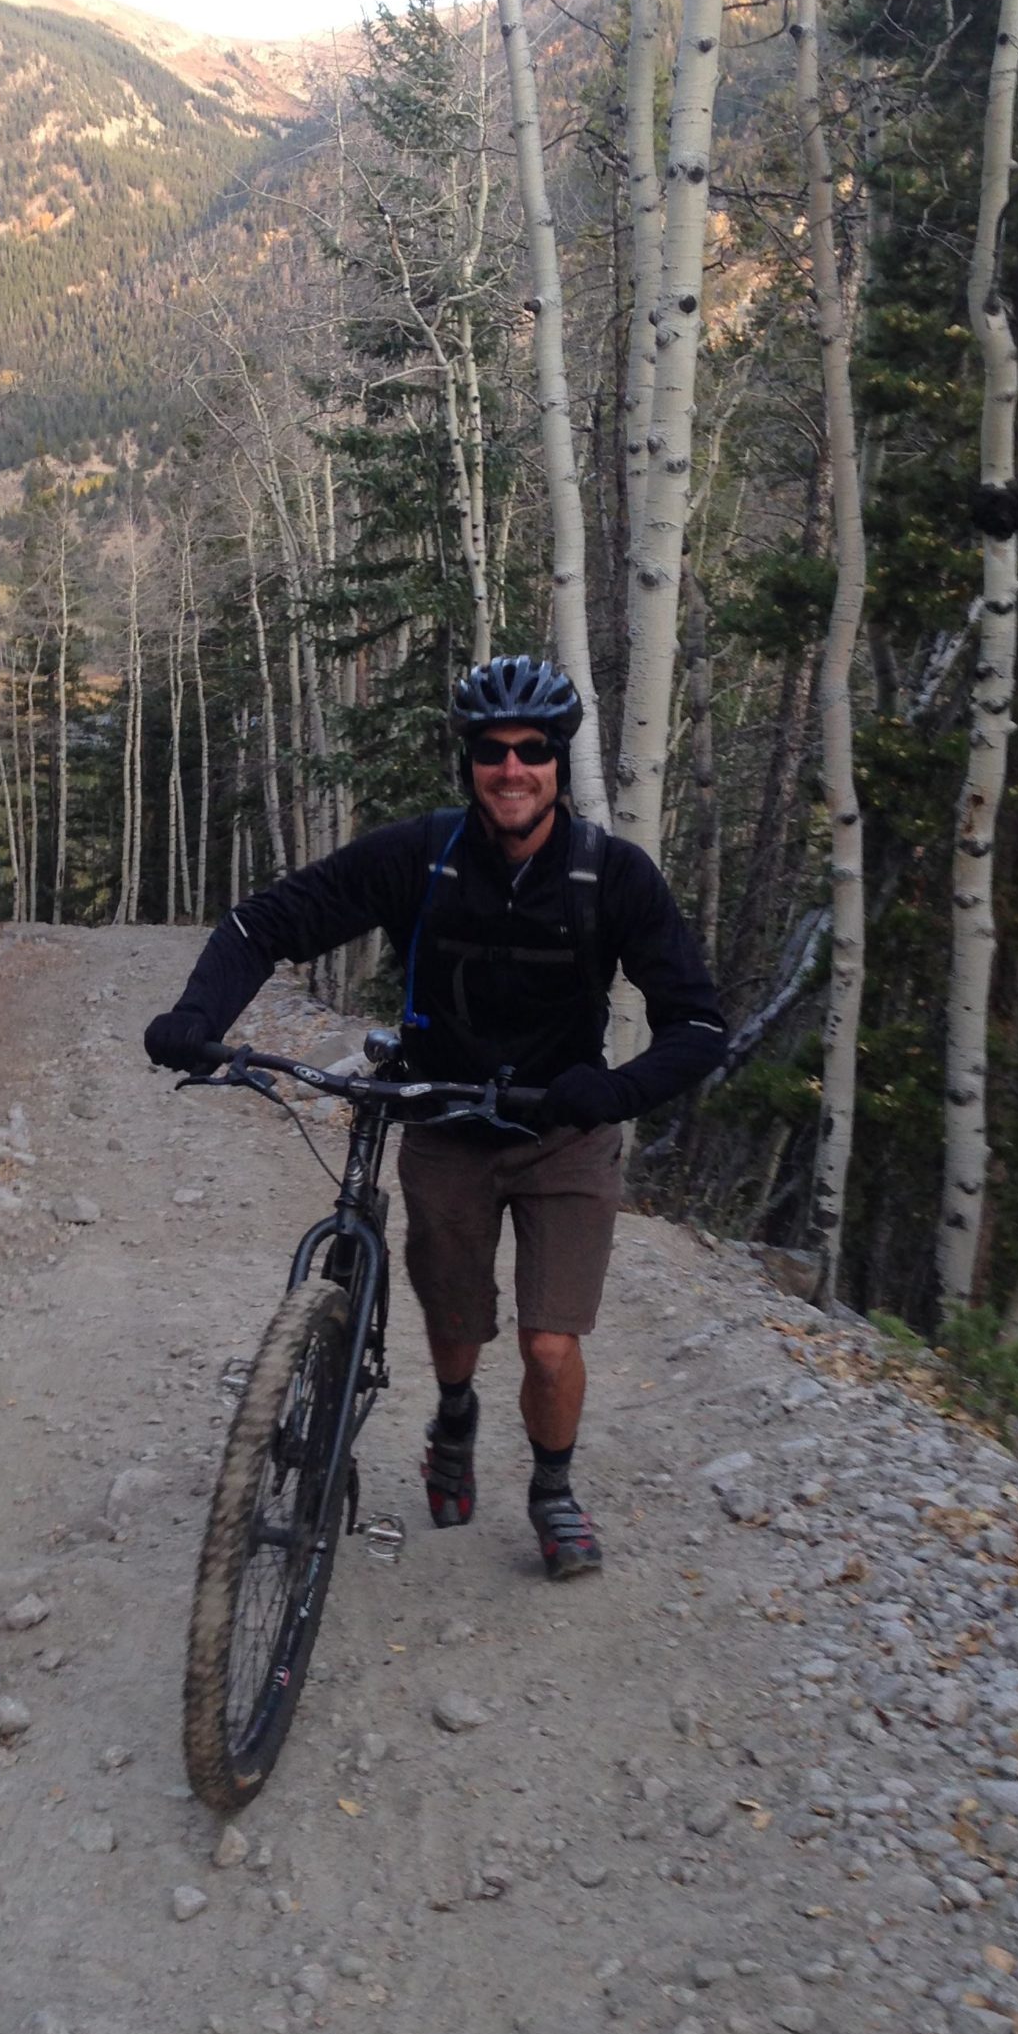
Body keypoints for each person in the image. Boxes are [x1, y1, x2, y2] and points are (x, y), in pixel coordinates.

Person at [144, 655, 726, 1580]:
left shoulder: (613, 877)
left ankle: (552, 1488)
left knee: (546, 1343)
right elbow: (266, 924)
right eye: (491, 751)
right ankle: (454, 1416)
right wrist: (195, 1020)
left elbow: (698, 1024)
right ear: (469, 762)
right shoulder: (420, 855)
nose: (511, 768)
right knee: (455, 1322)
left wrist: (614, 1093)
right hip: (444, 1118)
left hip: (564, 1130)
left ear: (558, 762)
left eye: (532, 750)